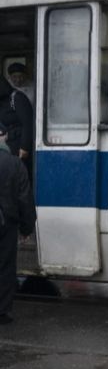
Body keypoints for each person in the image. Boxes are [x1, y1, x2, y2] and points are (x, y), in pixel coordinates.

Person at [0, 122, 35, 325]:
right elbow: (25, 199)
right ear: (4, 137)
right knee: (5, 267)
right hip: (7, 223)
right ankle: (2, 311)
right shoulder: (15, 164)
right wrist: (26, 227)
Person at [0, 75, 34, 172]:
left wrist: (24, 147)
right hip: (5, 146)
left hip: (18, 147)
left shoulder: (17, 98)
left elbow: (28, 124)